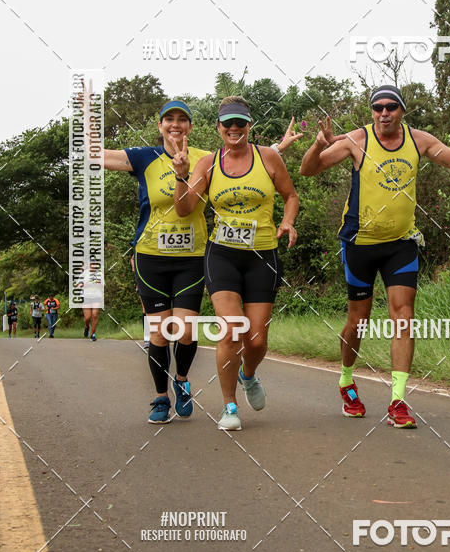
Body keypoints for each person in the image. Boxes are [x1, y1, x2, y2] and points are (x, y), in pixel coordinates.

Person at [99, 98, 300, 424]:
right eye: (169, 119)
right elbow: (98, 157)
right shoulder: (151, 158)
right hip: (169, 256)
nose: (176, 125)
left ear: (191, 127)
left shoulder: (207, 157)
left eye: (182, 119)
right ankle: (178, 399)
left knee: (209, 333)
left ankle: (209, 378)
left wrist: (279, 150)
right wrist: (82, 127)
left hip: (207, 257)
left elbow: (246, 161)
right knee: (167, 332)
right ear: (160, 125)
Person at [300, 85, 450, 428]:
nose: (384, 113)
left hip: (401, 243)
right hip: (360, 243)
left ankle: (398, 401)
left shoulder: (420, 140)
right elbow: (309, 170)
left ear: (402, 110)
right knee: (359, 321)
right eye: (378, 107)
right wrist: (317, 145)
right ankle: (346, 381)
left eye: (391, 107)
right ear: (372, 111)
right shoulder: (356, 140)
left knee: (404, 317)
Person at [173, 96, 299, 432]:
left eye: (239, 123)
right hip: (222, 256)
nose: (233, 128)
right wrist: (181, 177)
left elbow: (290, 196)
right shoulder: (208, 164)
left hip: (262, 256)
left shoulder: (268, 157)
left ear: (249, 126)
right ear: (218, 127)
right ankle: (229, 406)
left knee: (256, 341)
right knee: (231, 330)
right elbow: (184, 209)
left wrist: (287, 221)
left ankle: (248, 374)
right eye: (227, 123)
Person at [130, 255, 149, 350]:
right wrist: (134, 267)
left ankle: (159, 337)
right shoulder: (141, 249)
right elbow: (132, 258)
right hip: (142, 282)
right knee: (145, 309)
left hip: (157, 279)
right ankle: (147, 339)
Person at [82, 262, 102, 341]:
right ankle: (87, 326)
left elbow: (102, 285)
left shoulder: (99, 274)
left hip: (96, 296)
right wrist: (87, 283)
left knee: (95, 315)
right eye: (92, 264)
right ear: (89, 265)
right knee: (87, 318)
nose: (93, 266)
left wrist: (97, 283)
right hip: (86, 297)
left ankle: (93, 334)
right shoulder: (84, 273)